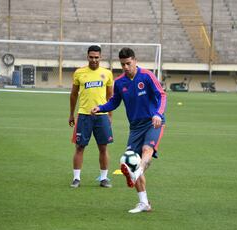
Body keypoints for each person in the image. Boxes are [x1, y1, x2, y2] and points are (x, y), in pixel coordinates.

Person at [91, 47, 166, 213]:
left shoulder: (146, 76)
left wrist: (158, 114)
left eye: (128, 63)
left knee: (147, 150)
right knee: (128, 160)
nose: (125, 67)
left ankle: (136, 171)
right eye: (122, 64)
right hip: (135, 127)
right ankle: (144, 203)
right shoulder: (119, 82)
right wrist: (101, 107)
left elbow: (162, 95)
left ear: (135, 61)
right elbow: (114, 102)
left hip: (153, 122)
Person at [69, 45, 114, 188]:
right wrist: (71, 114)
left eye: (96, 57)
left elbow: (110, 96)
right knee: (79, 147)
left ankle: (104, 178)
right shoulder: (79, 73)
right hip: (84, 115)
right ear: (87, 57)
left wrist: (110, 115)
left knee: (103, 147)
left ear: (101, 57)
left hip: (102, 116)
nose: (94, 60)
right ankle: (76, 178)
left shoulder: (107, 73)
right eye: (91, 57)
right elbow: (74, 94)